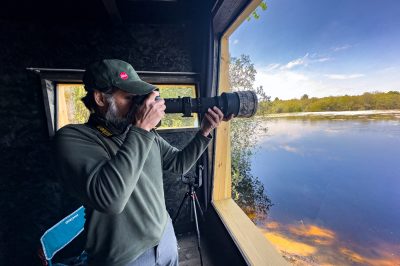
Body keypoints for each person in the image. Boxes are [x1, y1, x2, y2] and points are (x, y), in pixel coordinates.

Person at [54, 59, 232, 266]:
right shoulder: (73, 138)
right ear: (100, 98)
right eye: (129, 97)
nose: (138, 104)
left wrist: (205, 131)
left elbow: (179, 164)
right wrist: (141, 129)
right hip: (126, 258)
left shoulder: (142, 133)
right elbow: (110, 199)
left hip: (164, 236)